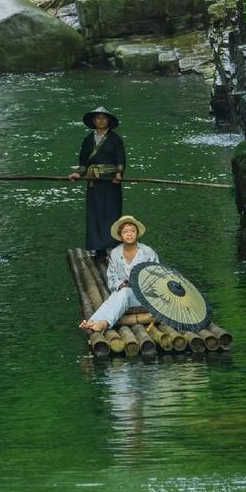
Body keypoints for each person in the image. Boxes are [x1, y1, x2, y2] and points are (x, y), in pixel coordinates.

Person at [79, 215, 159, 331]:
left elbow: (157, 278)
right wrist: (121, 284)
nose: (129, 234)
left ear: (137, 233)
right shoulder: (115, 253)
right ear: (120, 235)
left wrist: (137, 284)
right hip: (123, 295)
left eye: (132, 231)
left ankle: (104, 323)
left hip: (145, 297)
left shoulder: (147, 252)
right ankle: (93, 321)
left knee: (124, 292)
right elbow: (112, 278)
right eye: (125, 231)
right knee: (117, 295)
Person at [68, 106, 125, 257]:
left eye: (104, 118)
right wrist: (77, 174)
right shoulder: (88, 139)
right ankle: (98, 247)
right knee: (95, 213)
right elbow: (83, 163)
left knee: (111, 212)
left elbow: (120, 159)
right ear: (94, 120)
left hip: (111, 181)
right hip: (93, 181)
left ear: (109, 121)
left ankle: (113, 246)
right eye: (98, 118)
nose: (101, 120)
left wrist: (119, 174)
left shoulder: (115, 139)